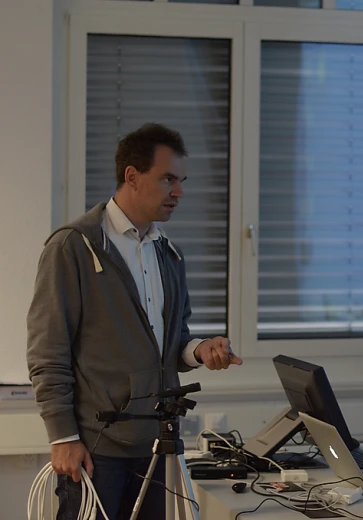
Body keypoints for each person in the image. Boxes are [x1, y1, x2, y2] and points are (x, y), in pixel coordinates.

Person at [26, 123, 243, 520]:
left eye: (181, 181)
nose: (178, 192)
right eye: (167, 179)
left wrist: (199, 350)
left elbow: (171, 342)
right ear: (131, 176)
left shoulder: (168, 253)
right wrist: (63, 437)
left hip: (157, 445)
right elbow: (47, 352)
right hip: (95, 448)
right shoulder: (72, 247)